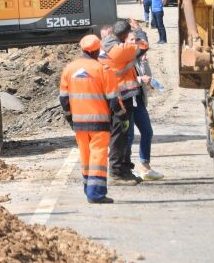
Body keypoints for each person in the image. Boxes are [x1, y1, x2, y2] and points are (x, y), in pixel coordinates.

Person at [60, 34, 119, 204]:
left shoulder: (69, 69)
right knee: (98, 157)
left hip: (79, 124)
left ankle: (88, 188)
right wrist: (121, 118)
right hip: (99, 124)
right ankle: (96, 193)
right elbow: (113, 99)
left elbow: (64, 100)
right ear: (96, 51)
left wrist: (71, 119)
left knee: (85, 156)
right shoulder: (102, 69)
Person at [99, 19, 149, 185]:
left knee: (123, 134)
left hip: (115, 96)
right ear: (124, 35)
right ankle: (117, 172)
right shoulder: (121, 50)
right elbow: (143, 46)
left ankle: (124, 169)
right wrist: (139, 31)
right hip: (120, 98)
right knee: (119, 135)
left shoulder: (105, 45)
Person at [129, 49, 164, 180]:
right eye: (132, 39)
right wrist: (139, 79)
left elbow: (148, 78)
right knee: (129, 136)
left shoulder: (137, 59)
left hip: (138, 100)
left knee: (147, 132)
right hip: (126, 100)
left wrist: (144, 62)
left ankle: (145, 168)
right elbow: (119, 78)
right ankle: (126, 169)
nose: (136, 44)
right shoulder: (122, 58)